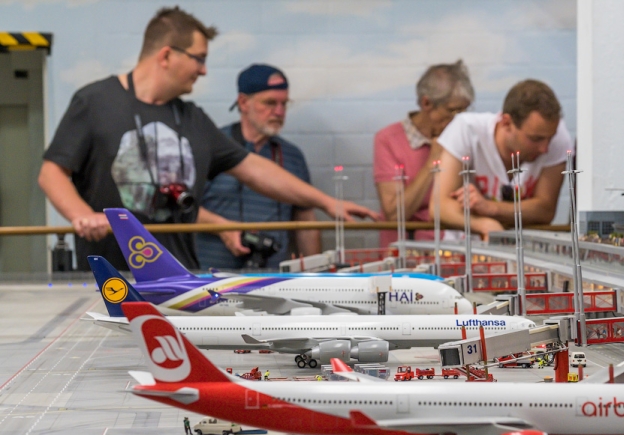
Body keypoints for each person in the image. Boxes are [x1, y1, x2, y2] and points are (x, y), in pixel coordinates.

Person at [39, 6, 375, 271]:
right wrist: (82, 214)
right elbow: (52, 173)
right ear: (167, 55)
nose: (204, 70)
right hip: (110, 275)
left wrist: (326, 202)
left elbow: (255, 169)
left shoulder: (193, 119)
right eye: (199, 58)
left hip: (180, 276)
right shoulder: (95, 101)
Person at [196, 64, 321, 269]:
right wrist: (223, 229)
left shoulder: (293, 156)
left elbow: (306, 223)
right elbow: (185, 210)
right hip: (212, 278)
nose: (279, 112)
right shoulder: (212, 146)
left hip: (274, 280)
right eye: (270, 103)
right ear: (244, 102)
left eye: (284, 104)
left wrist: (317, 273)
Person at [433, 79, 573, 240]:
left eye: (550, 138)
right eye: (535, 139)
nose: (545, 148)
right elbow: (439, 206)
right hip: (463, 252)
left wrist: (491, 208)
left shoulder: (557, 137)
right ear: (506, 122)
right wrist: (484, 225)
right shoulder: (466, 129)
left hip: (525, 252)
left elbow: (545, 210)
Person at [373, 60, 474, 247]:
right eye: (452, 111)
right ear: (426, 103)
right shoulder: (388, 139)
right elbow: (394, 214)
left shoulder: (466, 136)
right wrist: (432, 161)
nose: (459, 119)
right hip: (406, 252)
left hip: (455, 248)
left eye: (464, 111)